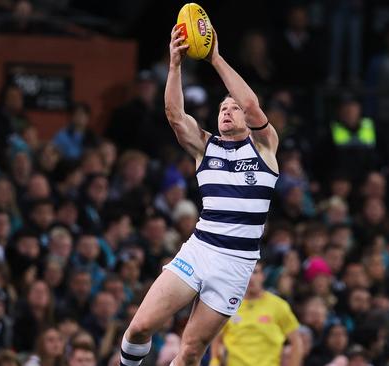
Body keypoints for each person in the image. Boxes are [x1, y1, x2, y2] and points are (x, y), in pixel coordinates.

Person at [120, 25, 280, 366]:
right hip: (199, 250)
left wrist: (215, 58)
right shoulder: (205, 147)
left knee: (191, 352)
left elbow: (251, 103)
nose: (227, 110)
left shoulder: (265, 147)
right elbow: (175, 116)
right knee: (139, 328)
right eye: (223, 106)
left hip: (236, 264)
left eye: (233, 107)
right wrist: (175, 65)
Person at [210, 262, 302, 366]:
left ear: (263, 276)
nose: (251, 277)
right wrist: (215, 362)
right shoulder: (229, 305)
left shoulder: (279, 306)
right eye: (247, 273)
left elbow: (296, 341)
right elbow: (217, 340)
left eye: (255, 272)